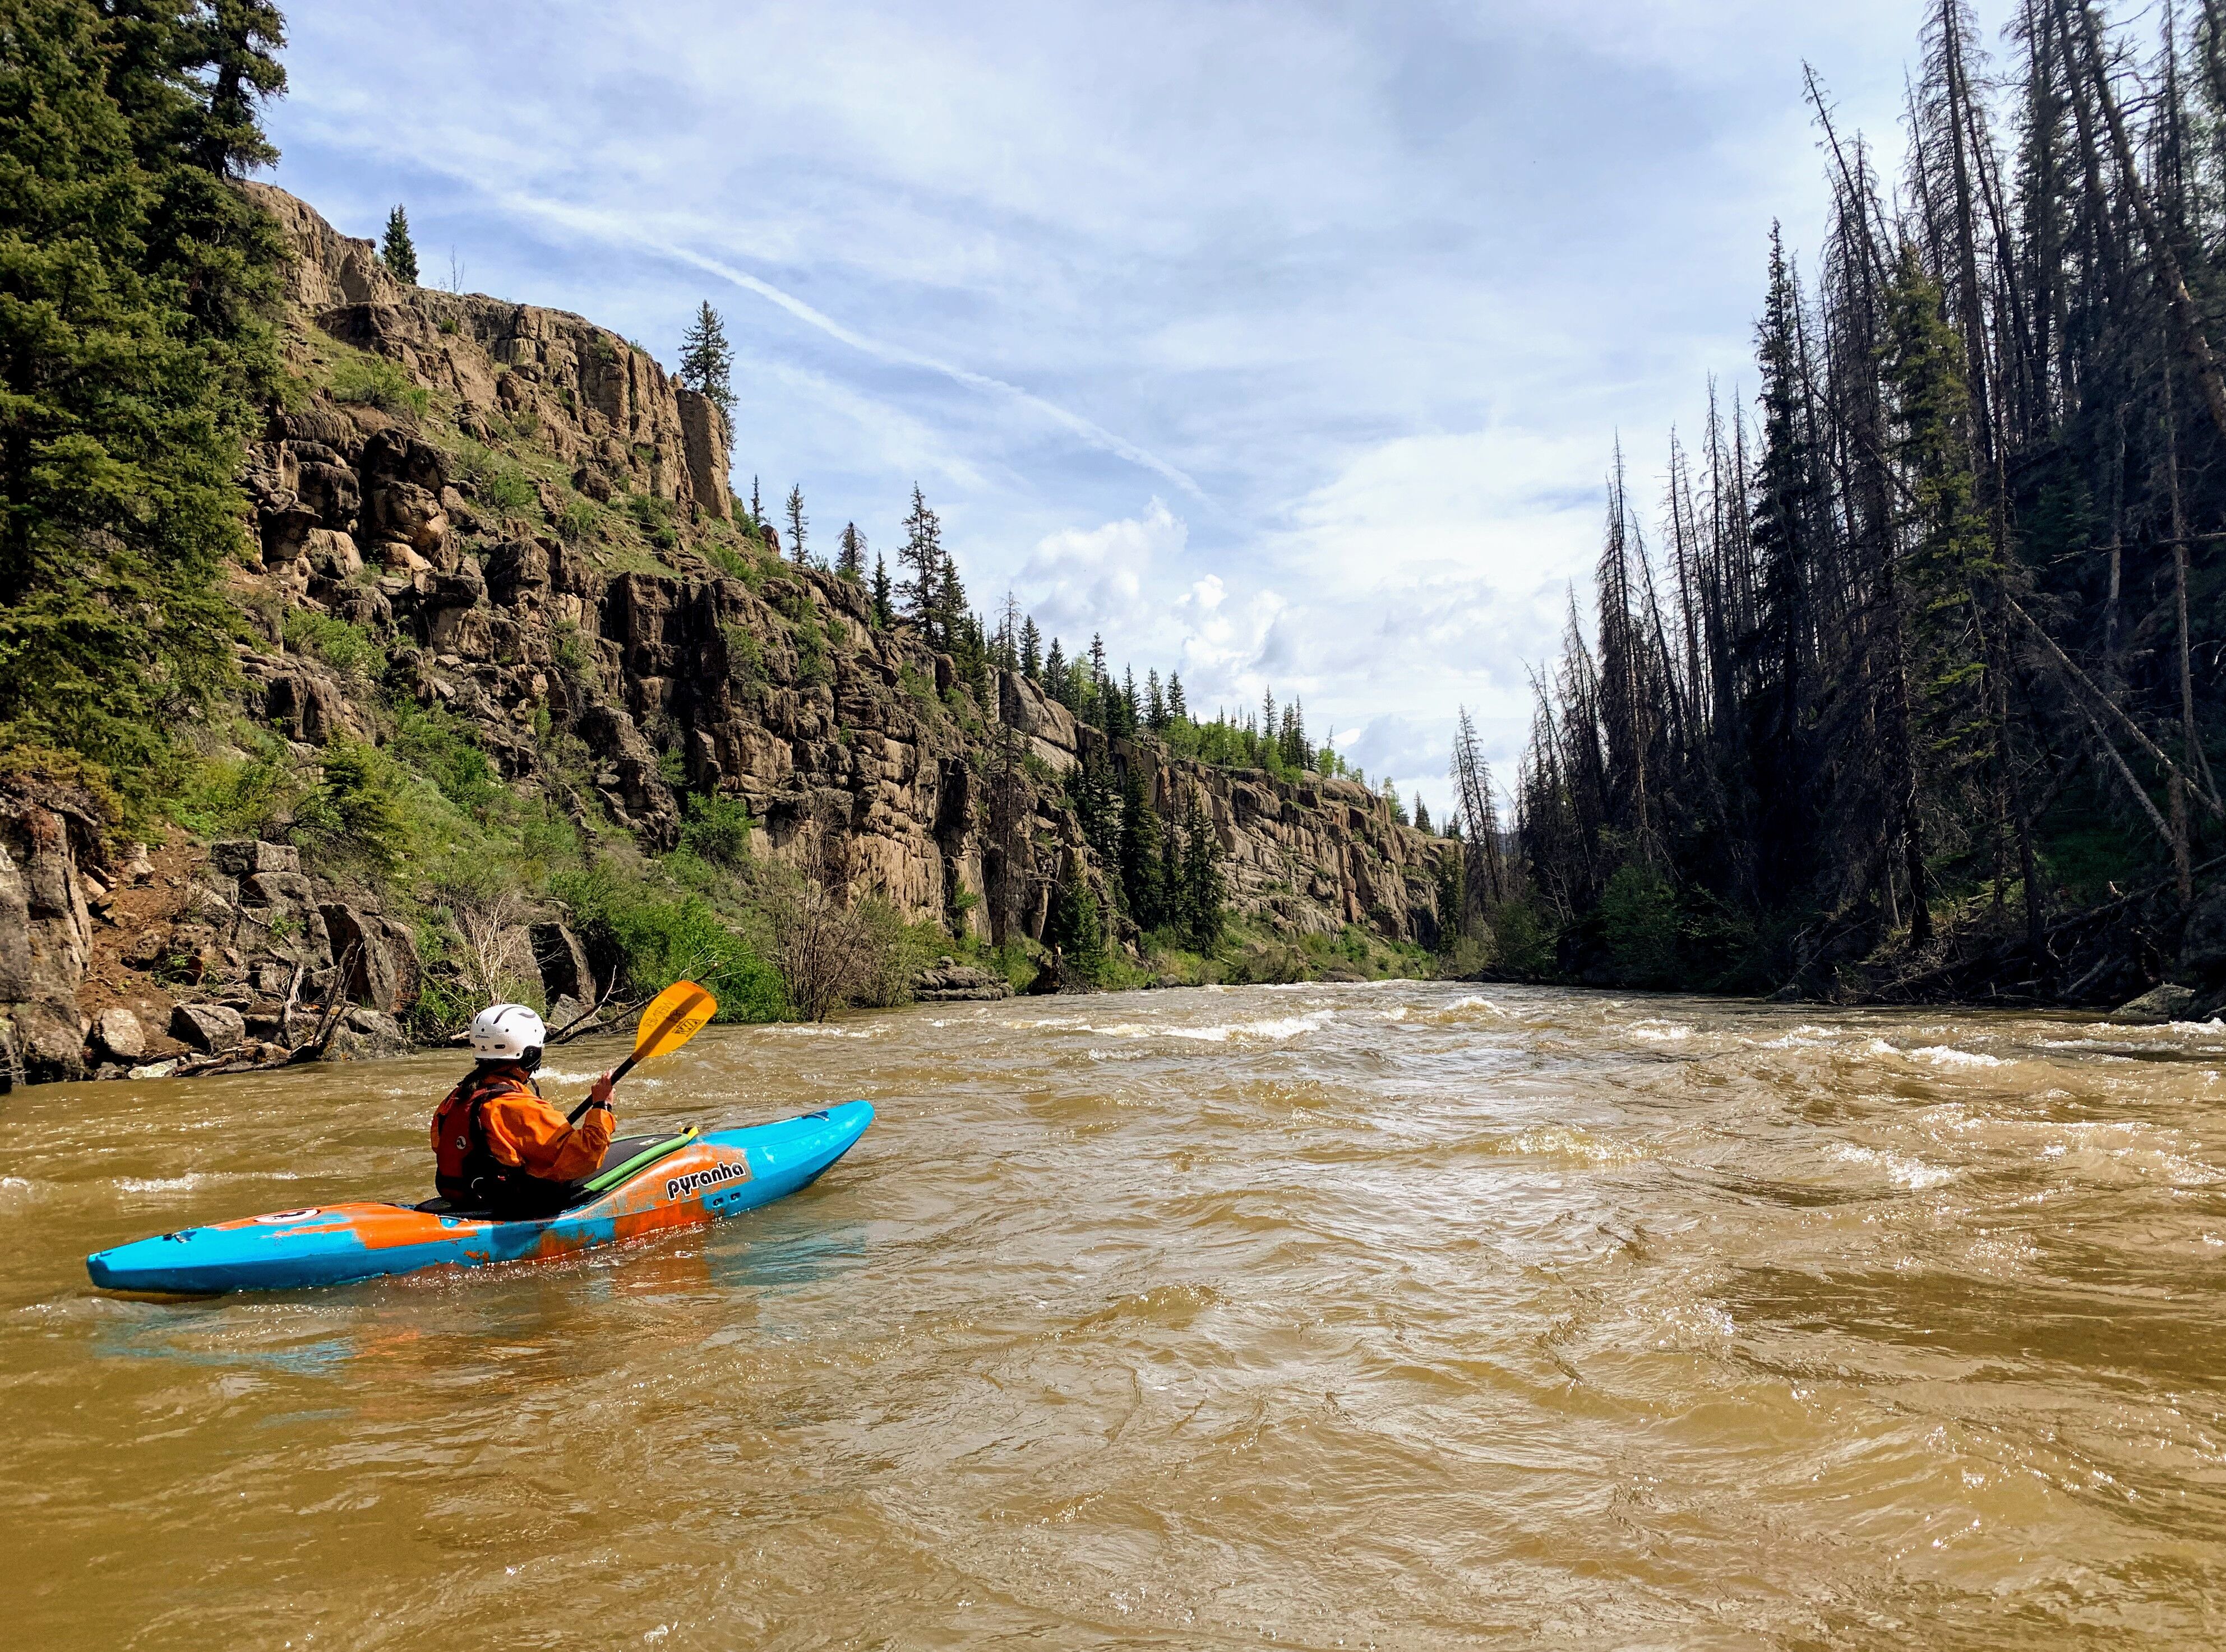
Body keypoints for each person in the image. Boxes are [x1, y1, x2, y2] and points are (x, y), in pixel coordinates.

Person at [432, 1003, 616, 1218]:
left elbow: (440, 1145)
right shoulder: (519, 1107)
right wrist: (602, 1106)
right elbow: (588, 1154)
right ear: (530, 1056)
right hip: (507, 1204)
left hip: (463, 1195)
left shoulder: (458, 1096)